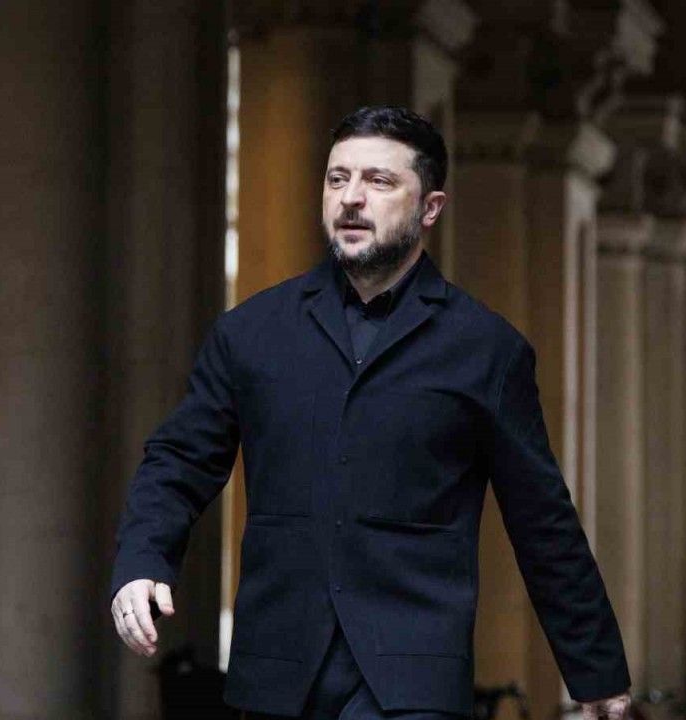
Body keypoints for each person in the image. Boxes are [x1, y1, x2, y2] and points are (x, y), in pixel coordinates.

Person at [109, 106, 632, 720]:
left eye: (378, 181)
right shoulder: (250, 332)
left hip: (413, 678)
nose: (351, 198)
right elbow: (179, 458)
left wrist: (596, 671)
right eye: (338, 179)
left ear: (430, 208)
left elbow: (542, 518)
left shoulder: (487, 349)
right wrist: (142, 560)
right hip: (278, 671)